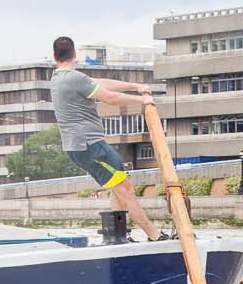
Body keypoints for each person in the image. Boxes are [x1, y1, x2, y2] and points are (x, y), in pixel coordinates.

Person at [48, 36, 163, 241]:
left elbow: (101, 84)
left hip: (79, 147)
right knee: (126, 189)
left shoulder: (59, 78)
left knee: (117, 187)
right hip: (91, 145)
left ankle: (116, 236)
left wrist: (134, 85)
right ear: (75, 54)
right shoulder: (75, 79)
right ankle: (155, 236)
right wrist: (143, 99)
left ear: (54, 56)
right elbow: (110, 98)